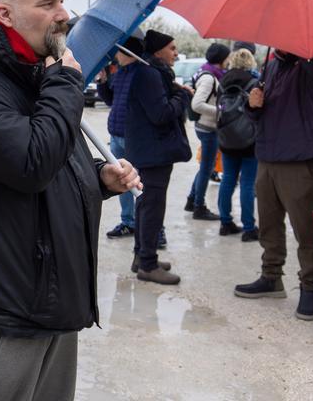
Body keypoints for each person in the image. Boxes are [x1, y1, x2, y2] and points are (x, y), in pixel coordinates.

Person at [0, 0, 140, 401]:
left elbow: (56, 162)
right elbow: (31, 164)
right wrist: (65, 84)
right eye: (47, 3)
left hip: (51, 297)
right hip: (2, 308)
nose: (63, 13)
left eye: (62, 0)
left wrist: (100, 178)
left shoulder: (35, 77)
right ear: (5, 14)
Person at [234, 50, 313, 321]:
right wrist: (253, 106)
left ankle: (311, 286)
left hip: (302, 157)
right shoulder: (273, 65)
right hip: (268, 153)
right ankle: (271, 276)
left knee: (306, 229)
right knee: (268, 223)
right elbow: (262, 114)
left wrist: (306, 49)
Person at [125, 30, 192, 285]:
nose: (175, 53)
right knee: (152, 208)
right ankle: (148, 265)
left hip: (149, 151)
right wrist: (181, 96)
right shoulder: (150, 74)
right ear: (157, 52)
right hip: (153, 153)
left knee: (145, 206)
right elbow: (161, 114)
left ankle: (141, 256)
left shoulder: (151, 72)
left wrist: (173, 89)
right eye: (172, 48)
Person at [97, 36, 144, 238]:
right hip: (115, 135)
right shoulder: (121, 72)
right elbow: (110, 99)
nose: (115, 55)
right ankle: (128, 221)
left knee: (139, 182)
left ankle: (151, 227)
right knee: (121, 181)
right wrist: (103, 81)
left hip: (134, 136)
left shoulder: (142, 74)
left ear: (125, 52)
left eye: (118, 51)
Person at [216, 48, 260, 240]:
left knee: (227, 180)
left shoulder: (223, 82)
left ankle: (225, 223)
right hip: (249, 139)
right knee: (247, 184)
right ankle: (249, 228)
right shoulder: (254, 82)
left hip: (226, 138)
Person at [186, 42, 230, 221]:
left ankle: (191, 200)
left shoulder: (207, 72)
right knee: (206, 168)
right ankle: (199, 207)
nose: (229, 60)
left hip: (206, 127)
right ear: (221, 58)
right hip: (208, 128)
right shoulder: (209, 77)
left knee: (205, 166)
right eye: (227, 57)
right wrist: (221, 111)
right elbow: (197, 104)